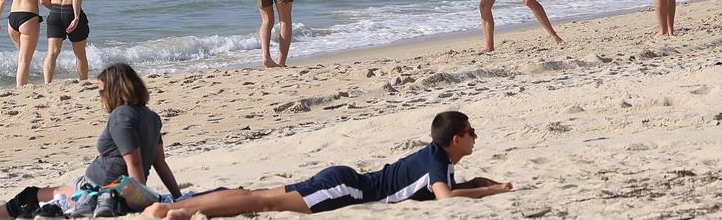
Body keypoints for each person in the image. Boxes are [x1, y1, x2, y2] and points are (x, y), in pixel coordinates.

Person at [142, 111, 510, 218]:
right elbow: (445, 199)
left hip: (345, 181)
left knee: (253, 196)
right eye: (471, 131)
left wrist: (481, 183)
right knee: (259, 200)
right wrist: (492, 191)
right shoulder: (436, 163)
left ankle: (178, 208)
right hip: (347, 189)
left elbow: (449, 187)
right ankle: (171, 207)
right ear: (457, 139)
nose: (476, 135)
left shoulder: (439, 159)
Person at [0, 63, 182, 218]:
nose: (100, 97)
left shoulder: (120, 116)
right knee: (38, 196)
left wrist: (137, 202)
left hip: (98, 187)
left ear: (115, 90)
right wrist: (178, 197)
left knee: (28, 197)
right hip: (104, 184)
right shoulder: (151, 116)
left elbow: (135, 165)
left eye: (101, 92)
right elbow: (160, 163)